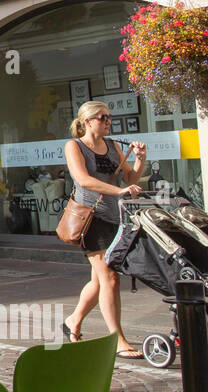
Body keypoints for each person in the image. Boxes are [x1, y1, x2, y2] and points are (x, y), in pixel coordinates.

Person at [62, 100, 147, 360]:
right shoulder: (74, 146)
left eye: (109, 117)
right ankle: (117, 338)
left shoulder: (112, 147)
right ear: (87, 121)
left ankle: (73, 321)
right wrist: (119, 191)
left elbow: (130, 178)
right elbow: (83, 180)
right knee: (110, 277)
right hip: (91, 218)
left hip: (115, 218)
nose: (108, 121)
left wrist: (140, 160)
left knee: (99, 281)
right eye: (102, 117)